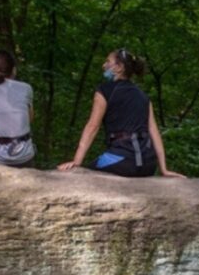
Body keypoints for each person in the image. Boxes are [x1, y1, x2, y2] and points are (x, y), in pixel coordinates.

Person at [58, 48, 184, 178]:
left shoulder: (105, 91)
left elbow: (92, 127)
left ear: (119, 67)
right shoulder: (143, 96)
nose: (104, 65)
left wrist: (76, 162)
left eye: (108, 62)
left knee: (83, 174)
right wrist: (163, 169)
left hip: (123, 161)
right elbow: (154, 132)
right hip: (148, 165)